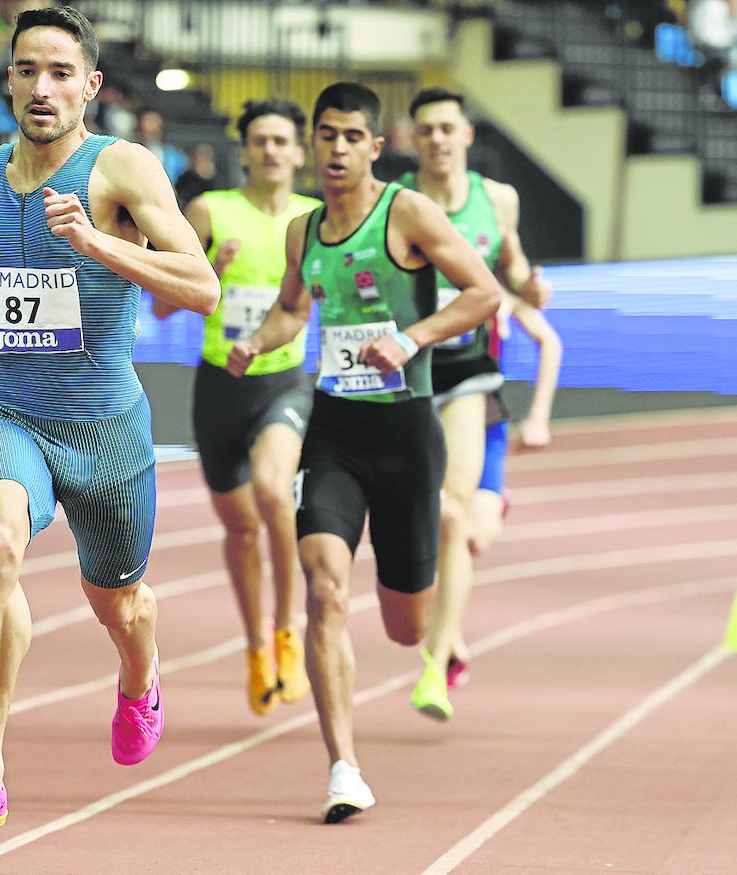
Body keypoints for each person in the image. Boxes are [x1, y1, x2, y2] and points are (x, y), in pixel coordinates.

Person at [0, 6, 218, 858]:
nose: (43, 88)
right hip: (11, 412)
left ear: (91, 86)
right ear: (6, 80)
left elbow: (202, 284)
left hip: (107, 428)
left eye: (61, 72)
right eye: (28, 70)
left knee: (119, 603)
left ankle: (141, 678)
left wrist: (102, 245)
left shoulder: (123, 167)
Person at [226, 82, 501, 823]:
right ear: (314, 144)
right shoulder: (304, 231)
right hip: (337, 432)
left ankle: (436, 629)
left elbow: (484, 292)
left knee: (405, 625)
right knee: (323, 589)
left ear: (377, 147)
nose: (338, 149)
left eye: (354, 137)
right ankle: (343, 764)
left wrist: (410, 338)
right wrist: (256, 342)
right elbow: (291, 309)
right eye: (328, 136)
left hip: (408, 435)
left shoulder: (407, 213)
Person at [153, 98, 320, 716]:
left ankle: (288, 632)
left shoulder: (315, 217)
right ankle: (255, 647)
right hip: (220, 389)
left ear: (299, 152)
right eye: (260, 141)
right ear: (244, 151)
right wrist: (208, 275)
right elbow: (163, 306)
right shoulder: (210, 211)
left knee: (276, 493)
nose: (271, 151)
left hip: (285, 380)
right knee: (241, 527)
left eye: (282, 140)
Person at [395, 88, 553, 721]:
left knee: (453, 518)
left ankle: (434, 667)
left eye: (447, 128)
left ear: (466, 134)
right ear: (412, 139)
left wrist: (529, 285)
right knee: (433, 524)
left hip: (469, 372)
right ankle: (447, 639)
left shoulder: (499, 200)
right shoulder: (396, 200)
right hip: (407, 372)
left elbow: (513, 267)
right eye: (426, 129)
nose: (437, 138)